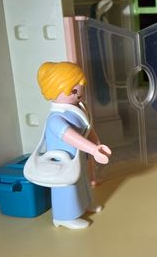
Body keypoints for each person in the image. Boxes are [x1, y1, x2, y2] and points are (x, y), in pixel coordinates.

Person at [35, 61, 111, 229]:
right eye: (73, 91)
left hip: (77, 157)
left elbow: (87, 126)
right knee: (67, 187)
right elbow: (71, 137)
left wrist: (96, 142)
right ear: (54, 90)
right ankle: (64, 217)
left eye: (81, 89)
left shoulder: (77, 108)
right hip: (64, 161)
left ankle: (84, 205)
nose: (79, 94)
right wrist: (93, 149)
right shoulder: (56, 119)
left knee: (82, 182)